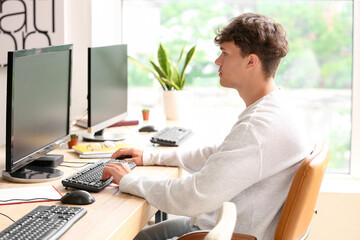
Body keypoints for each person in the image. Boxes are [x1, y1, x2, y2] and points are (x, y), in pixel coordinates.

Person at [102, 13, 310, 240]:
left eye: (225, 53)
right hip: (227, 226)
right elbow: (220, 154)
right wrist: (151, 156)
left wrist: (127, 180)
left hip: (232, 233)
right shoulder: (276, 107)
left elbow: (194, 196)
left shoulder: (259, 126)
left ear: (251, 61)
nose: (218, 61)